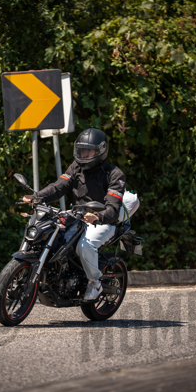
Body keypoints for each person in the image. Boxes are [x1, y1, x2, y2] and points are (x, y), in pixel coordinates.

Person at [23, 128, 126, 300]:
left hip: (103, 221)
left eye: (89, 151)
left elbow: (113, 208)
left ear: (100, 151)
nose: (84, 155)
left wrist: (98, 216)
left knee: (85, 246)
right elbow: (58, 187)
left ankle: (94, 282)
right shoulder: (76, 167)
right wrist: (37, 197)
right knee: (49, 233)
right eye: (81, 150)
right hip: (77, 216)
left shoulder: (114, 174)